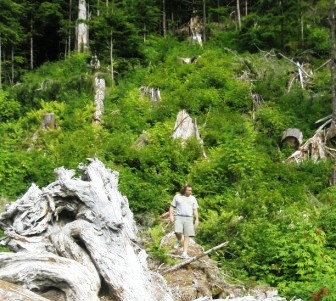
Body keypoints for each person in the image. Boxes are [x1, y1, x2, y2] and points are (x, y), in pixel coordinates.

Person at [169, 184, 199, 259]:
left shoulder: (193, 198)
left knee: (187, 235)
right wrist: (171, 215)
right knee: (177, 232)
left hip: (189, 218)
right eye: (189, 190)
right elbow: (172, 206)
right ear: (184, 190)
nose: (190, 192)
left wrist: (197, 219)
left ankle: (184, 253)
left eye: (191, 190)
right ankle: (179, 240)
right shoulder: (177, 197)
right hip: (179, 217)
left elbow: (195, 209)